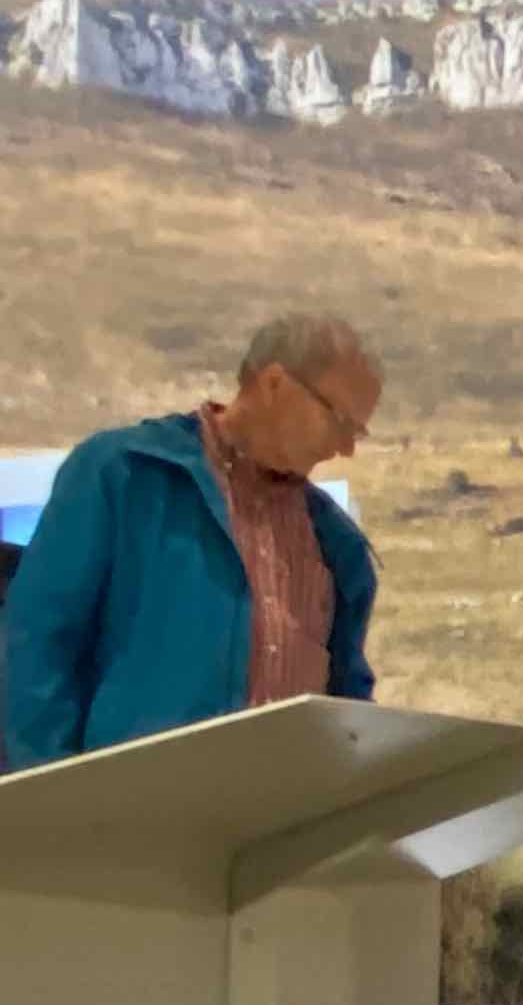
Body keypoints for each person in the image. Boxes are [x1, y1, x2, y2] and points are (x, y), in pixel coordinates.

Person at [2, 314, 385, 772]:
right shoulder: (122, 475)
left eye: (357, 432)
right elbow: (37, 647)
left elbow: (346, 704)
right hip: (134, 807)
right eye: (340, 421)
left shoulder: (337, 545)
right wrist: (54, 792)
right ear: (275, 384)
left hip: (284, 809)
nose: (345, 448)